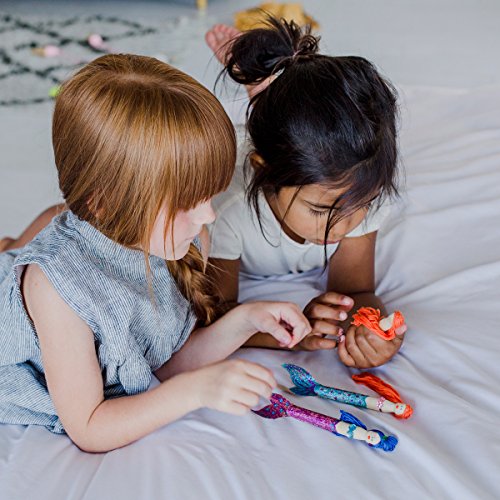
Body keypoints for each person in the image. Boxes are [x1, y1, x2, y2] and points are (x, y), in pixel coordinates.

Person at [0, 54, 311, 452]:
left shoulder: (184, 239)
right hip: (25, 294)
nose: (209, 215)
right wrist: (193, 392)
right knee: (27, 250)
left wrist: (246, 320)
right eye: (187, 203)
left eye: (209, 196)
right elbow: (90, 428)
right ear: (106, 203)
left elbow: (159, 362)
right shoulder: (56, 288)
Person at [205, 18, 407, 369]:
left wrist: (369, 330)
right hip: (240, 159)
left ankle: (269, 91)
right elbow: (215, 315)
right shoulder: (227, 207)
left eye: (363, 205)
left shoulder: (356, 189)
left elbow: (355, 293)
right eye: (320, 211)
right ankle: (263, 90)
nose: (342, 228)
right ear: (264, 172)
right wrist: (292, 333)